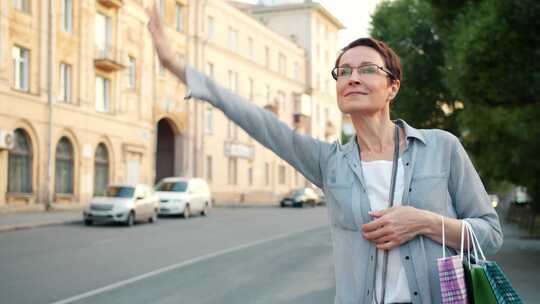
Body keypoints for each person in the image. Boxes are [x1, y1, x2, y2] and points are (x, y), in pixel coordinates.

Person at [146, 4, 502, 304]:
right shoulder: (330, 163)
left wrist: (424, 222)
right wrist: (176, 66)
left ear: (392, 87)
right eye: (343, 72)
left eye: (367, 70)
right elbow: (259, 121)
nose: (352, 78)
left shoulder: (442, 147)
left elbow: (490, 233)